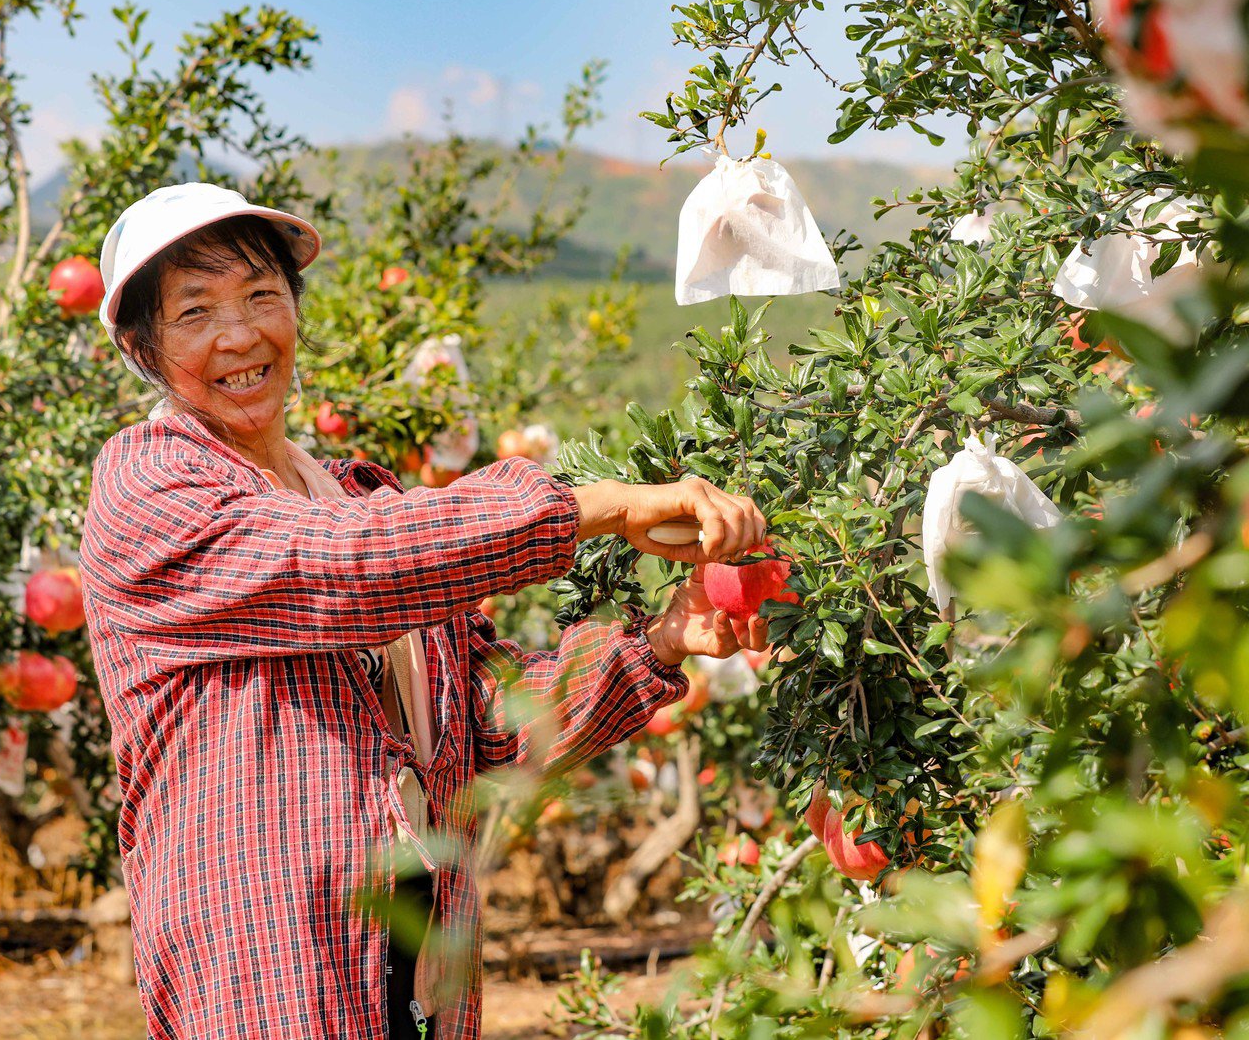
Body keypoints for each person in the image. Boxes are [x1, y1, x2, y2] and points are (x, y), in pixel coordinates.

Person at [79, 183, 770, 1039]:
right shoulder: (150, 487)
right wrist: (593, 505)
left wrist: (662, 641)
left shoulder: (360, 495)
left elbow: (489, 731)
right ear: (141, 347)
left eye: (261, 295)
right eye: (194, 312)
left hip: (416, 976)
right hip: (267, 972)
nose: (239, 334)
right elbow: (340, 565)